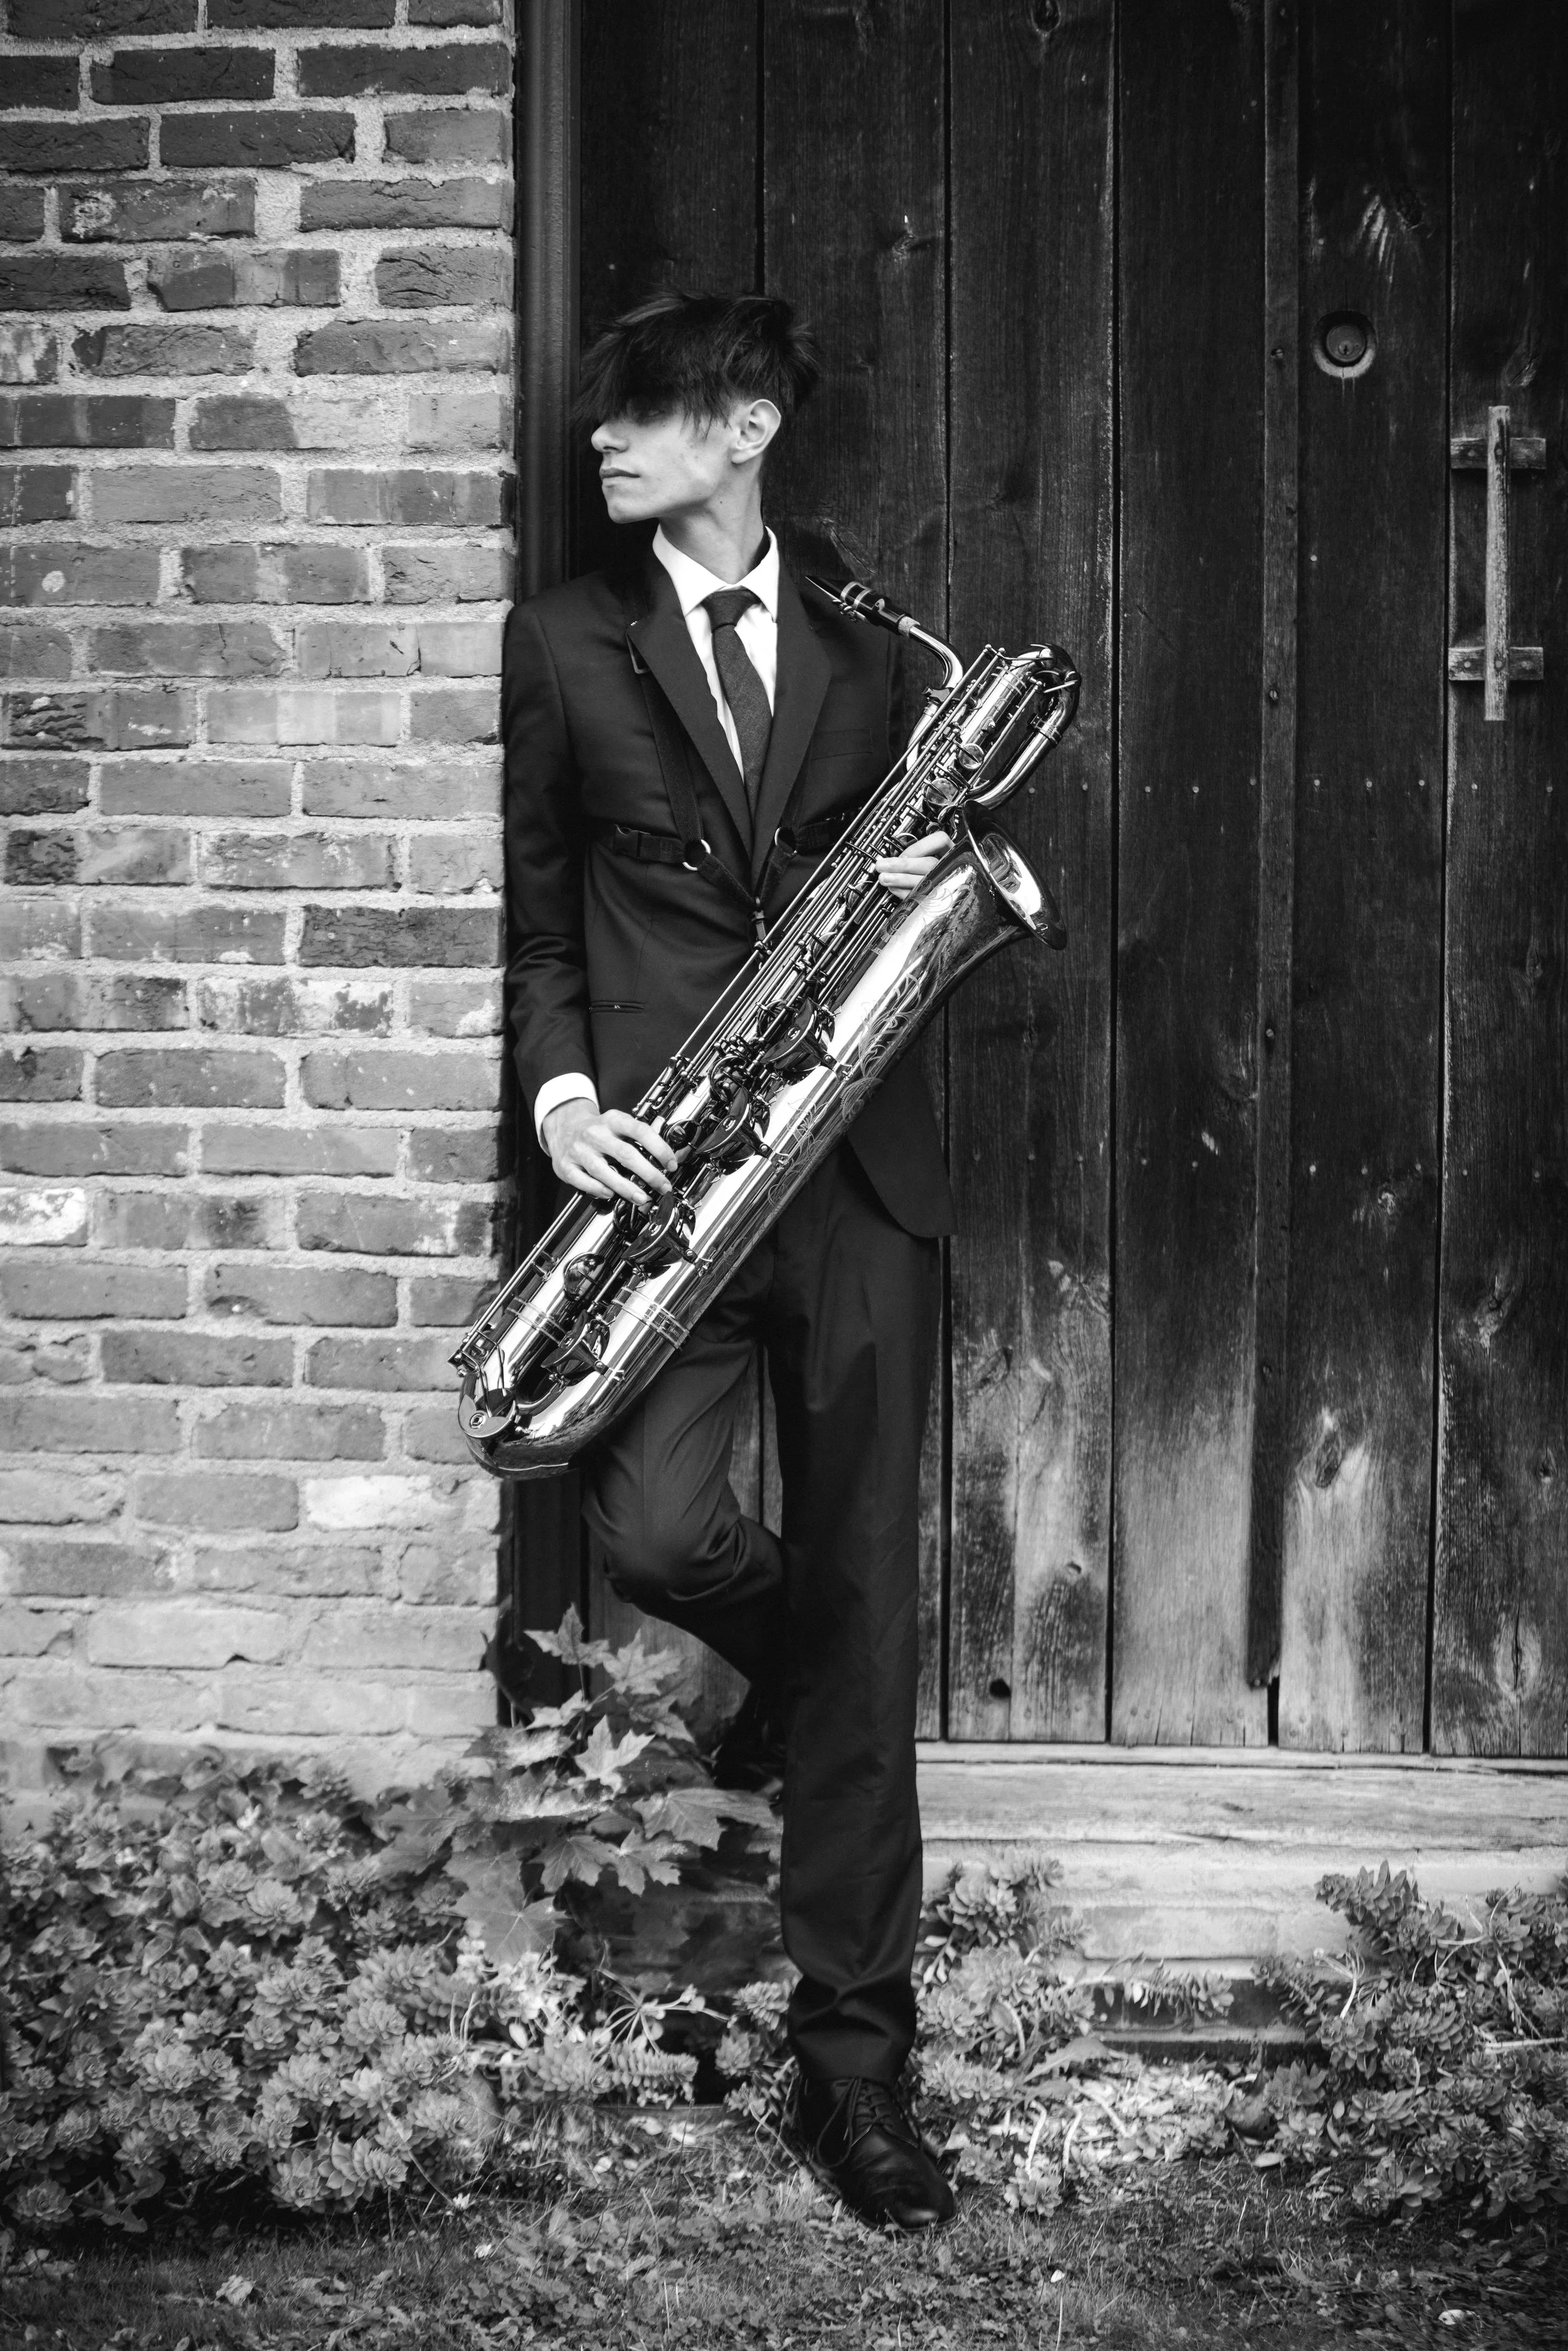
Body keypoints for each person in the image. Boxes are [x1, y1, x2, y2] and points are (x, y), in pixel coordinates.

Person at [502, 290, 956, 2229]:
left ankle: (856, 2075)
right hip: (666, 1185)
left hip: (851, 1181)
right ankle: (808, 1674)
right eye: (605, 419)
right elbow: (536, 912)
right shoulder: (565, 638)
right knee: (661, 1537)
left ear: (748, 424)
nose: (605, 445)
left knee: (861, 1592)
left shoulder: (868, 652)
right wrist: (558, 1101)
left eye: (647, 416)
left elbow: (907, 886)